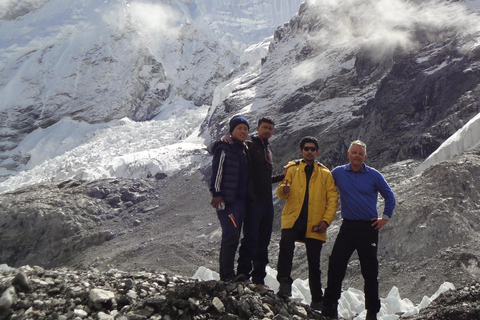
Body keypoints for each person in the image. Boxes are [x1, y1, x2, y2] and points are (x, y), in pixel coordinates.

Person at [321, 140, 396, 320]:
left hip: (368, 227)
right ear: (348, 154)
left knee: (370, 271)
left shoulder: (374, 175)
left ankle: (372, 312)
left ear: (365, 156)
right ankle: (330, 306)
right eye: (354, 153)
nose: (357, 156)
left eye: (360, 154)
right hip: (348, 226)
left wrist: (385, 218)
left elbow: (389, 196)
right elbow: (322, 184)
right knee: (336, 265)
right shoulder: (338, 172)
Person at [275, 136, 338, 310]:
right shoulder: (292, 169)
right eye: (306, 148)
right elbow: (281, 192)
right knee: (286, 246)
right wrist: (283, 190)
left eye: (312, 149)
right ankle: (284, 284)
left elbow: (333, 199)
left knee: (314, 261)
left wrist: (326, 221)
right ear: (301, 151)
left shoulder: (325, 173)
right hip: (293, 217)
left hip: (315, 222)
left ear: (317, 152)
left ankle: (317, 299)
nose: (309, 151)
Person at [235, 116, 285, 292]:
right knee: (250, 238)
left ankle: (258, 279)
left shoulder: (267, 148)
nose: (267, 131)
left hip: (266, 203)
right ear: (257, 128)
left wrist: (280, 177)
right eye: (265, 128)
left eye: (270, 129)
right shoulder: (249, 146)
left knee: (263, 241)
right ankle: (242, 274)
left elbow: (263, 178)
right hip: (253, 201)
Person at [209, 114, 250, 282]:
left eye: (245, 129)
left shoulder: (245, 149)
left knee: (235, 236)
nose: (243, 131)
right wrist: (217, 194)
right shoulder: (224, 147)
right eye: (239, 128)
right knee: (231, 235)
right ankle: (226, 276)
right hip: (227, 201)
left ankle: (230, 274)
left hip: (241, 202)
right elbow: (217, 171)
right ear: (232, 130)